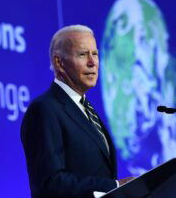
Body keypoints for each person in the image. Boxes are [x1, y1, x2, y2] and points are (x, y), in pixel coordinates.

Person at [21, 25, 134, 198]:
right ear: (59, 62)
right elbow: (49, 182)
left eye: (95, 54)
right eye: (83, 54)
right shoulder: (45, 109)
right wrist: (115, 186)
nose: (93, 62)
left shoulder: (86, 110)